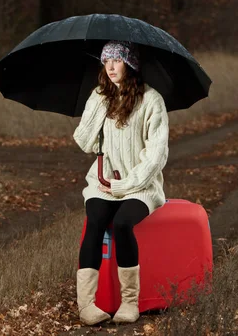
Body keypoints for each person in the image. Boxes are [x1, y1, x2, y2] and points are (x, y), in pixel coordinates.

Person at [72, 40, 169, 325]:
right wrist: (100, 105)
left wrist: (125, 186)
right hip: (102, 182)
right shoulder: (101, 96)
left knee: (123, 224)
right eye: (105, 61)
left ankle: (129, 302)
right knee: (96, 219)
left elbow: (156, 155)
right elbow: (84, 142)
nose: (110, 67)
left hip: (141, 185)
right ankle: (86, 305)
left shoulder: (152, 101)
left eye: (116, 60)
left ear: (130, 63)